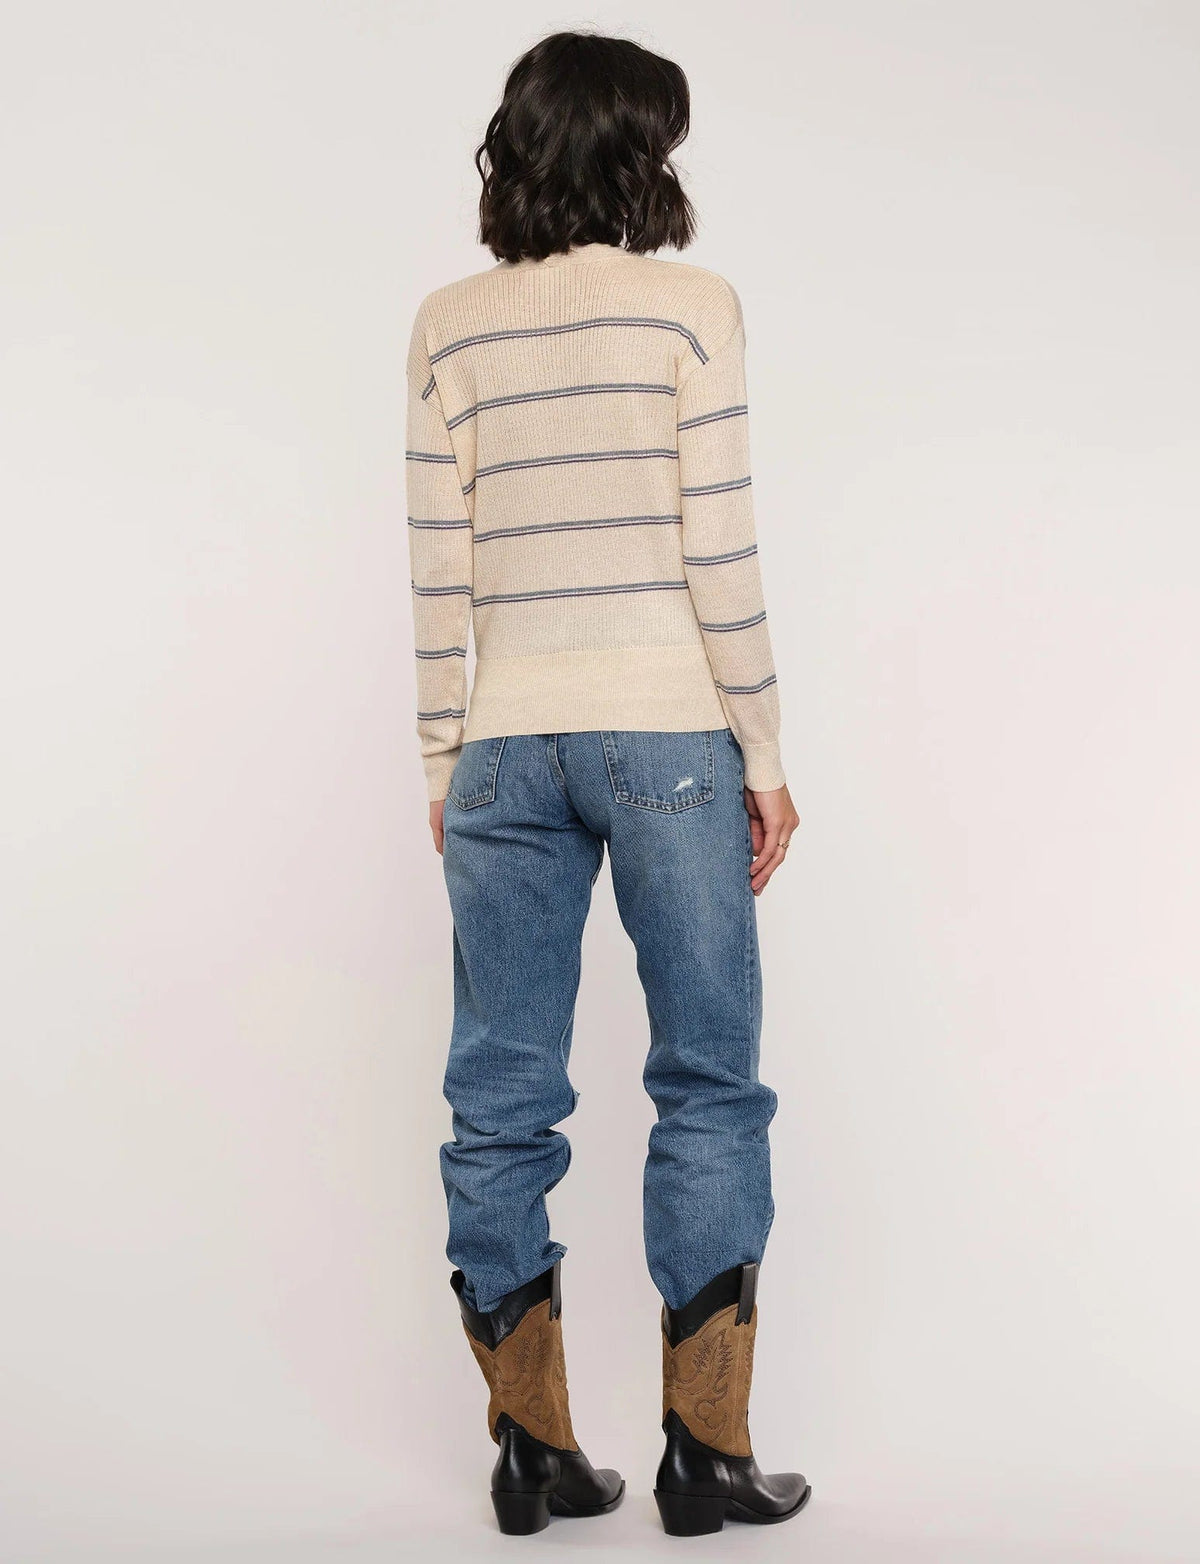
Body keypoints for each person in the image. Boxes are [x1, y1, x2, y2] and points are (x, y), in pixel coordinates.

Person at [406, 30, 809, 1537]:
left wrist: (444, 758)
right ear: (639, 154)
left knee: (497, 1099)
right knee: (707, 1079)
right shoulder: (691, 311)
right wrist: (764, 752)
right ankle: (707, 1458)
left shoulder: (447, 327)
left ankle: (530, 1453)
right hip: (668, 737)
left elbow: (438, 569)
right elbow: (720, 550)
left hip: (504, 746)